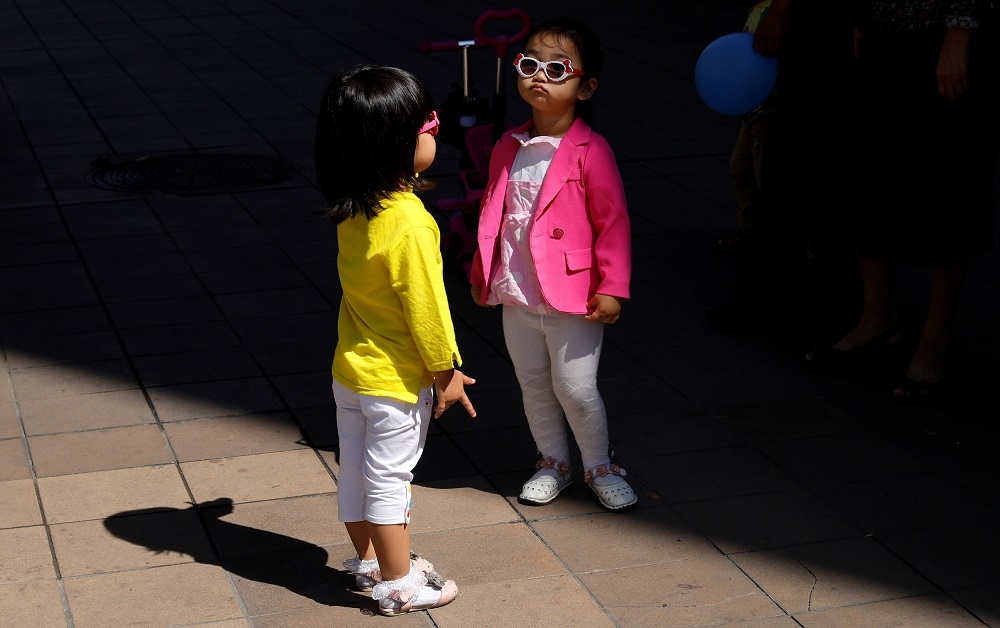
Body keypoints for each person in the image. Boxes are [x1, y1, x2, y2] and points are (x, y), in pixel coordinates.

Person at [314, 64, 478, 616]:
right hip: (395, 381)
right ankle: (399, 582)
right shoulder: (410, 221)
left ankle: (371, 561)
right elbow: (427, 309)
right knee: (389, 479)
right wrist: (445, 370)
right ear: (395, 144)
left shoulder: (353, 211)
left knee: (357, 470)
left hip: (351, 371)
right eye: (427, 123)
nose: (436, 130)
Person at [469, 17, 637, 511]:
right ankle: (553, 462)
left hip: (575, 295)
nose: (539, 76)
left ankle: (599, 464)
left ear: (586, 87)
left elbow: (614, 222)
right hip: (518, 293)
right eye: (530, 64)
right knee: (534, 385)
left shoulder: (591, 150)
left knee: (577, 388)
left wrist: (613, 286)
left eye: (557, 68)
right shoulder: (508, 145)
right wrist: (484, 272)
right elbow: (493, 216)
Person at [804, 0, 999, 399]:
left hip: (943, 29)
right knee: (869, 173)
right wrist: (864, 18)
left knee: (947, 183)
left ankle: (935, 339)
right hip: (884, 25)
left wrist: (960, 32)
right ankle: (878, 316)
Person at [713, 0, 777, 256]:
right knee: (740, 168)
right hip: (752, 109)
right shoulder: (758, 9)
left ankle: (777, 235)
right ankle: (749, 229)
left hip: (769, 110)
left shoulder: (778, 12)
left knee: (767, 176)